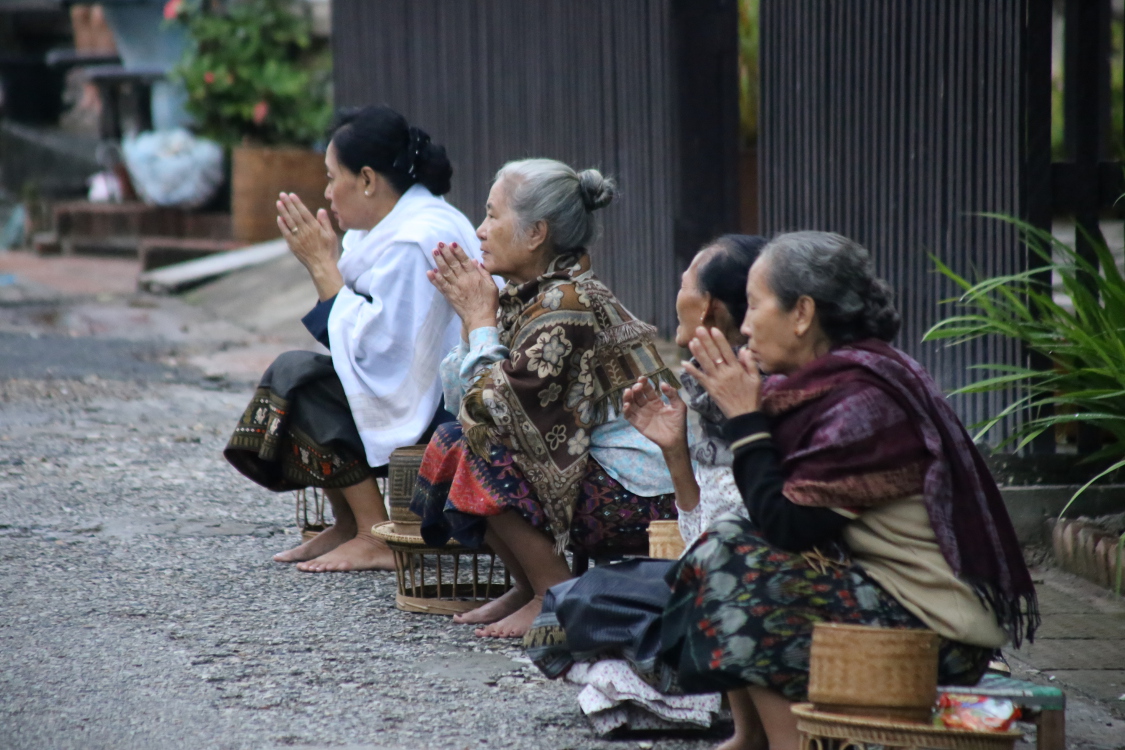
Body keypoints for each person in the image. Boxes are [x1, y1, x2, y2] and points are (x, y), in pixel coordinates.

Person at [627, 230, 1039, 750]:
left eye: (755, 307)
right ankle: (752, 735)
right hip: (885, 599)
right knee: (731, 537)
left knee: (744, 560)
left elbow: (789, 527)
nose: (747, 326)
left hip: (937, 635)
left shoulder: (862, 400)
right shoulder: (826, 383)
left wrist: (745, 420)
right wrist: (726, 422)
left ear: (802, 313)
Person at [410, 158, 678, 638]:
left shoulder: (567, 307)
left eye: (493, 215)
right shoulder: (532, 295)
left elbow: (490, 411)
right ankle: (527, 582)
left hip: (645, 501)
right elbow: (461, 402)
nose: (480, 229)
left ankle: (550, 590)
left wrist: (478, 322)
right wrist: (479, 319)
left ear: (536, 233)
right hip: (602, 480)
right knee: (456, 437)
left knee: (477, 447)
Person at [520, 234, 766, 736]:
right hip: (721, 574)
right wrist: (676, 452)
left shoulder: (755, 386)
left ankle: (730, 711)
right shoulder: (708, 384)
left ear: (711, 307)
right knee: (584, 599)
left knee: (587, 606)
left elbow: (728, 547)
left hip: (753, 593)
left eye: (684, 281)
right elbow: (705, 537)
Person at [224, 105, 481, 573]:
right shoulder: (394, 228)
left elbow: (377, 356)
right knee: (303, 373)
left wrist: (323, 268)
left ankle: (373, 534)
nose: (326, 192)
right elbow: (359, 344)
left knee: (298, 378)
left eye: (331, 177)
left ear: (366, 180)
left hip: (447, 409)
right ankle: (348, 523)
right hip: (425, 394)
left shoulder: (415, 238)